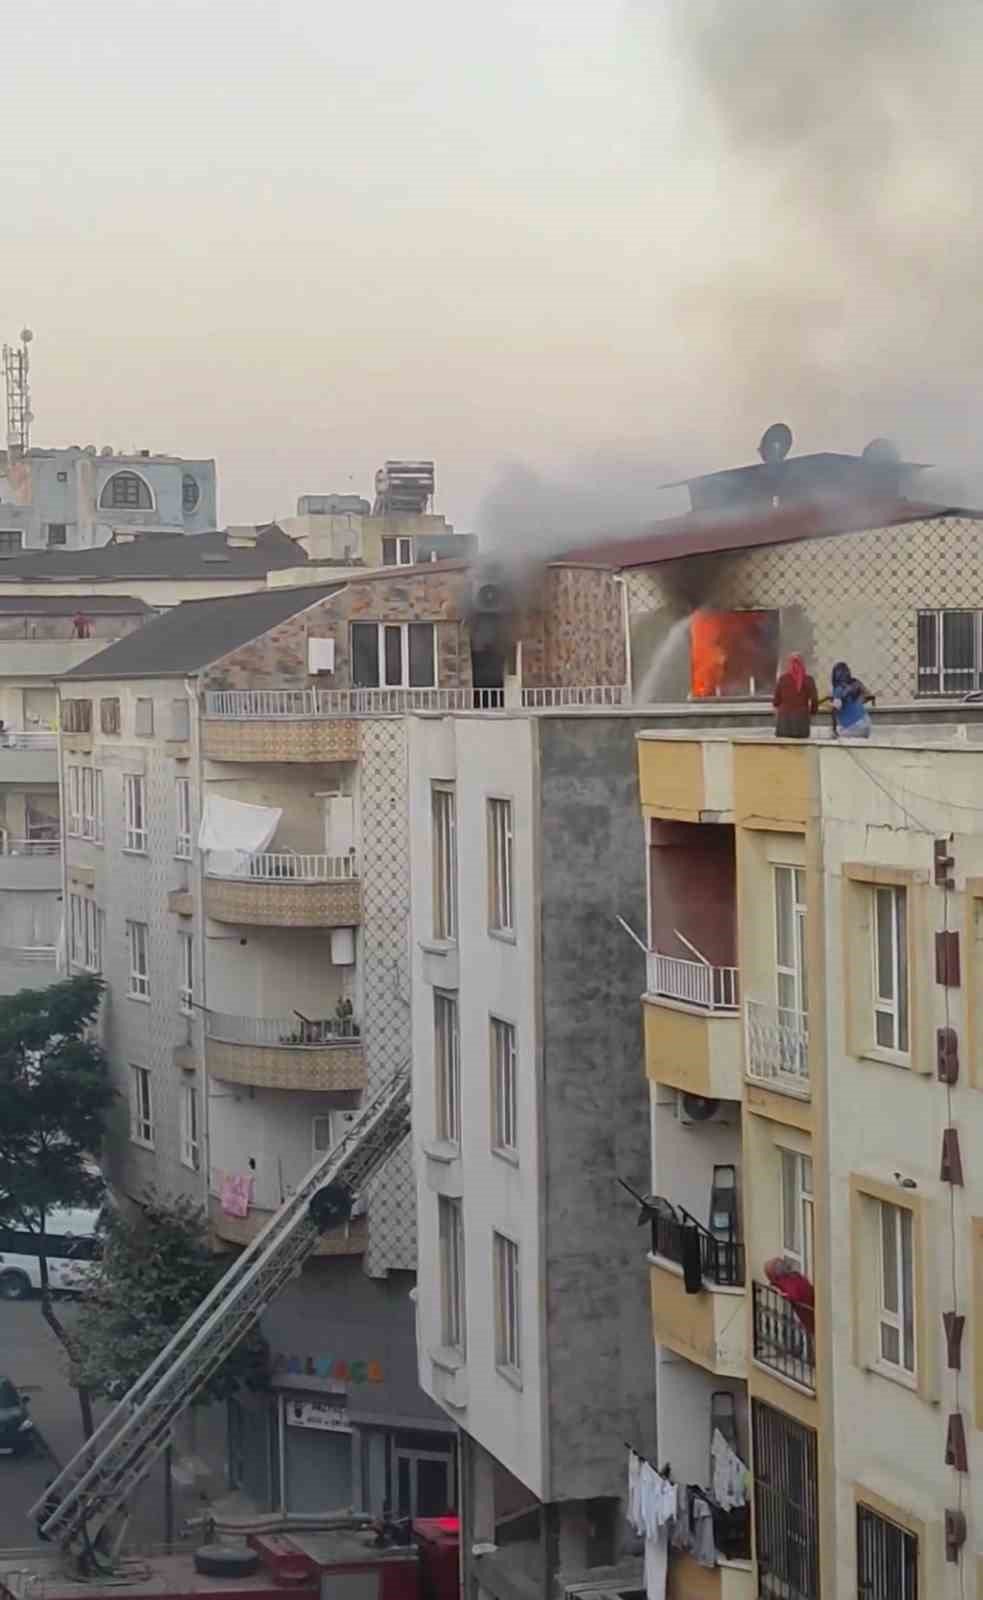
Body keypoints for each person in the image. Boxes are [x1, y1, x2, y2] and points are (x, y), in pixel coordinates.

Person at [764, 1256, 815, 1336]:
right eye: (780, 1264)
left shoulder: (792, 1276)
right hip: (812, 1313)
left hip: (813, 1310)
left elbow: (795, 1294)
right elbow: (794, 1296)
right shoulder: (787, 1280)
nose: (785, 1264)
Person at [772, 654, 818, 739]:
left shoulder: (783, 679)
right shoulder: (809, 680)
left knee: (784, 750)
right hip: (801, 721)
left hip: (784, 722)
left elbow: (776, 700)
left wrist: (777, 711)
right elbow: (814, 699)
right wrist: (813, 712)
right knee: (801, 749)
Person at [831, 661, 873, 739]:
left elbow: (834, 711)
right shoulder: (855, 682)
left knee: (835, 737)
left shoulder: (838, 689)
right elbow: (868, 696)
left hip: (856, 726)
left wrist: (834, 730)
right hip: (867, 722)